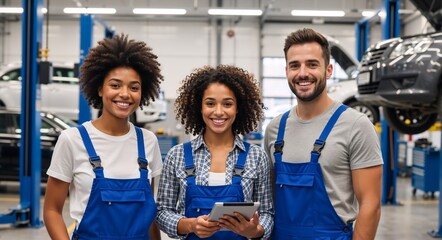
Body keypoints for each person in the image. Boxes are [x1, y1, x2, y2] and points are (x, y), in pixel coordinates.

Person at [263, 28, 383, 239]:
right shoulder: (274, 129)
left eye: (312, 64)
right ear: (286, 72)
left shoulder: (356, 125)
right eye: (294, 65)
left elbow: (370, 205)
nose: (302, 73)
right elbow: (269, 201)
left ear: (328, 70)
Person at [43, 34, 164, 240]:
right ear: (100, 88)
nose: (125, 94)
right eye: (115, 85)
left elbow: (149, 214)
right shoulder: (73, 139)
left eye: (134, 87)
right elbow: (52, 210)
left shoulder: (148, 141)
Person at [156, 65, 273, 239]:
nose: (218, 112)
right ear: (199, 107)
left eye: (227, 104)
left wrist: (256, 231)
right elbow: (162, 212)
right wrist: (190, 225)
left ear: (238, 108)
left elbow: (267, 213)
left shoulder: (256, 157)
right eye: (210, 103)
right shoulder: (177, 155)